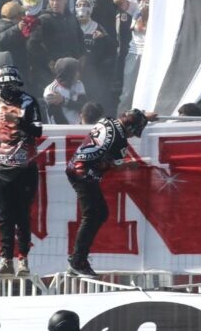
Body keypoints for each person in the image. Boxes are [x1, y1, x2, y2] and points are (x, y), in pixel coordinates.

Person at [66, 108, 157, 276]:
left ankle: (78, 258)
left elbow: (132, 115)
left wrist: (144, 117)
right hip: (84, 174)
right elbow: (113, 164)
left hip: (76, 167)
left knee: (100, 213)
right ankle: (78, 260)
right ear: (129, 129)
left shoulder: (106, 120)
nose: (132, 137)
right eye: (134, 132)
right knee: (93, 215)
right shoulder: (120, 140)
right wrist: (131, 164)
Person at [0, 65, 43, 278]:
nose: (7, 89)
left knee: (22, 216)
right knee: (4, 217)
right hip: (0, 166)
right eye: (4, 85)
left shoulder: (29, 101)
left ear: (18, 84)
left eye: (11, 85)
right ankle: (6, 261)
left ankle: (23, 261)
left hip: (24, 168)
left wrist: (19, 121)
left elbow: (38, 130)